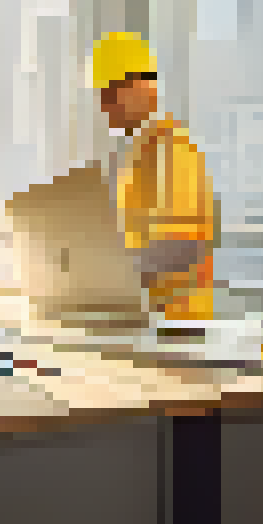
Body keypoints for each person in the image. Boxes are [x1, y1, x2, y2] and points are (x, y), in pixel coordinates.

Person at [88, 33, 217, 320]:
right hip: (142, 316)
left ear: (142, 88)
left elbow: (183, 251)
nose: (105, 107)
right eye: (101, 96)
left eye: (111, 94)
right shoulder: (135, 157)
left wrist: (107, 267)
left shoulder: (175, 150)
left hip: (178, 323)